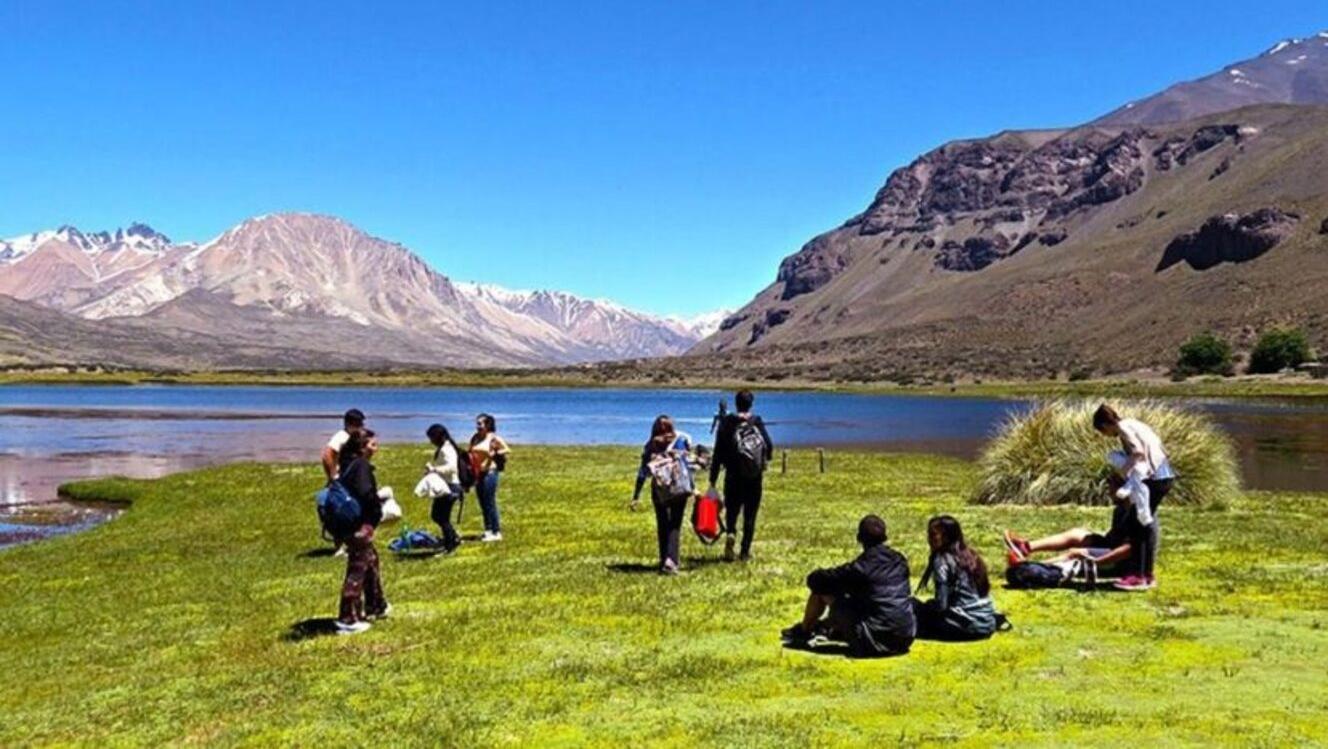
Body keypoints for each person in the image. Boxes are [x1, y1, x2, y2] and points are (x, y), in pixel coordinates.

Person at [781, 515, 915, 657]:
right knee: (861, 603)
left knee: (822, 592)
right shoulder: (900, 561)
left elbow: (817, 580)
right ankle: (823, 627)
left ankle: (805, 630)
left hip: (875, 642)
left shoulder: (860, 569)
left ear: (859, 538)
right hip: (905, 637)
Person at [1092, 404, 1175, 591]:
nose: (1105, 435)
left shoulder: (1123, 429)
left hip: (1153, 479)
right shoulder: (1136, 424)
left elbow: (1138, 452)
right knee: (1143, 524)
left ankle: (1138, 576)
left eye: (1102, 431)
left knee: (1137, 527)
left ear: (1106, 425)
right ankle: (1146, 575)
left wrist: (1124, 472)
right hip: (1165, 475)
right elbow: (1162, 450)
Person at [334, 429, 389, 634]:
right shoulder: (361, 466)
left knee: (371, 561)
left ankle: (376, 605)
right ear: (362, 447)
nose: (376, 448)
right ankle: (347, 618)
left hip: (351, 522)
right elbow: (366, 494)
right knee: (357, 569)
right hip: (359, 523)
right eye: (373, 445)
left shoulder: (348, 463)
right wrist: (379, 505)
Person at [709, 389, 773, 561]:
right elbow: (769, 445)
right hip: (754, 478)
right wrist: (763, 463)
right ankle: (745, 551)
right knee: (750, 515)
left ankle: (730, 533)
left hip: (733, 476)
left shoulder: (727, 422)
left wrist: (713, 479)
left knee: (732, 511)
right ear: (751, 403)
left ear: (736, 403)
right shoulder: (756, 421)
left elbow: (718, 453)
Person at [912, 516, 997, 641]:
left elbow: (942, 606)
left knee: (912, 605)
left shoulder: (942, 560)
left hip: (966, 626)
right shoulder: (971, 556)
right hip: (988, 623)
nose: (929, 539)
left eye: (933, 535)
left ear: (947, 537)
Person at [631, 415, 694, 575]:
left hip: (659, 489)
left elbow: (643, 471)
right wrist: (693, 487)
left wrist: (636, 495)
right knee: (675, 524)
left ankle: (663, 559)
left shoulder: (651, 445)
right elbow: (687, 465)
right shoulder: (681, 440)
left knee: (662, 524)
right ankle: (671, 561)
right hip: (679, 487)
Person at [470, 413, 511, 542]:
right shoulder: (475, 438)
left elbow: (507, 450)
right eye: (477, 423)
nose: (478, 426)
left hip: (490, 473)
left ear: (488, 425)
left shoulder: (493, 438)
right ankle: (488, 530)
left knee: (490, 502)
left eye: (480, 424)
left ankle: (496, 531)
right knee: (482, 503)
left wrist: (495, 452)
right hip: (478, 473)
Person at [424, 423, 464, 553]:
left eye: (431, 438)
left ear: (438, 437)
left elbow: (452, 468)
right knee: (438, 515)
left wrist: (434, 469)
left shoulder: (446, 449)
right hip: (447, 486)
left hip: (450, 487)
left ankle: (450, 545)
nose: (431, 441)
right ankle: (452, 538)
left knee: (441, 516)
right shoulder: (445, 447)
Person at [322, 408, 365, 481]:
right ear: (348, 424)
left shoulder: (353, 437)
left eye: (361, 424)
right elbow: (327, 455)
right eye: (357, 424)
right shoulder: (342, 436)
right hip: (342, 476)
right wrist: (332, 475)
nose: (360, 427)